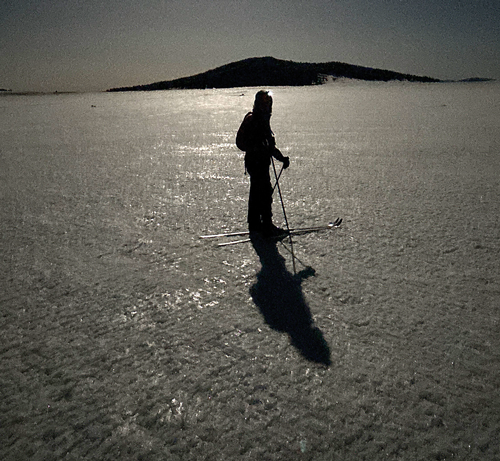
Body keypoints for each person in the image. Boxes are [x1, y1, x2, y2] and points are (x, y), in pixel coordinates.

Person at [236, 90, 290, 236]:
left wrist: (281, 158)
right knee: (264, 192)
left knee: (258, 192)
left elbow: (269, 146)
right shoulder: (254, 120)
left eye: (268, 103)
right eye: (265, 103)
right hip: (256, 162)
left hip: (259, 162)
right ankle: (265, 225)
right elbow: (243, 143)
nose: (267, 106)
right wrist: (258, 148)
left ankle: (255, 224)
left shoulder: (261, 120)